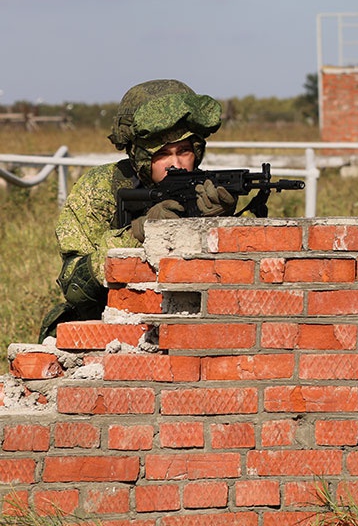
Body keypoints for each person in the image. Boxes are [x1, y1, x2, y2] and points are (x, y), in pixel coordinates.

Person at [42, 80, 238, 339]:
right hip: (106, 328)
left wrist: (221, 222)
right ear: (139, 155)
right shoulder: (102, 188)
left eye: (184, 151)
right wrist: (139, 232)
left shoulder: (208, 192)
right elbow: (76, 287)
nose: (175, 164)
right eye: (162, 154)